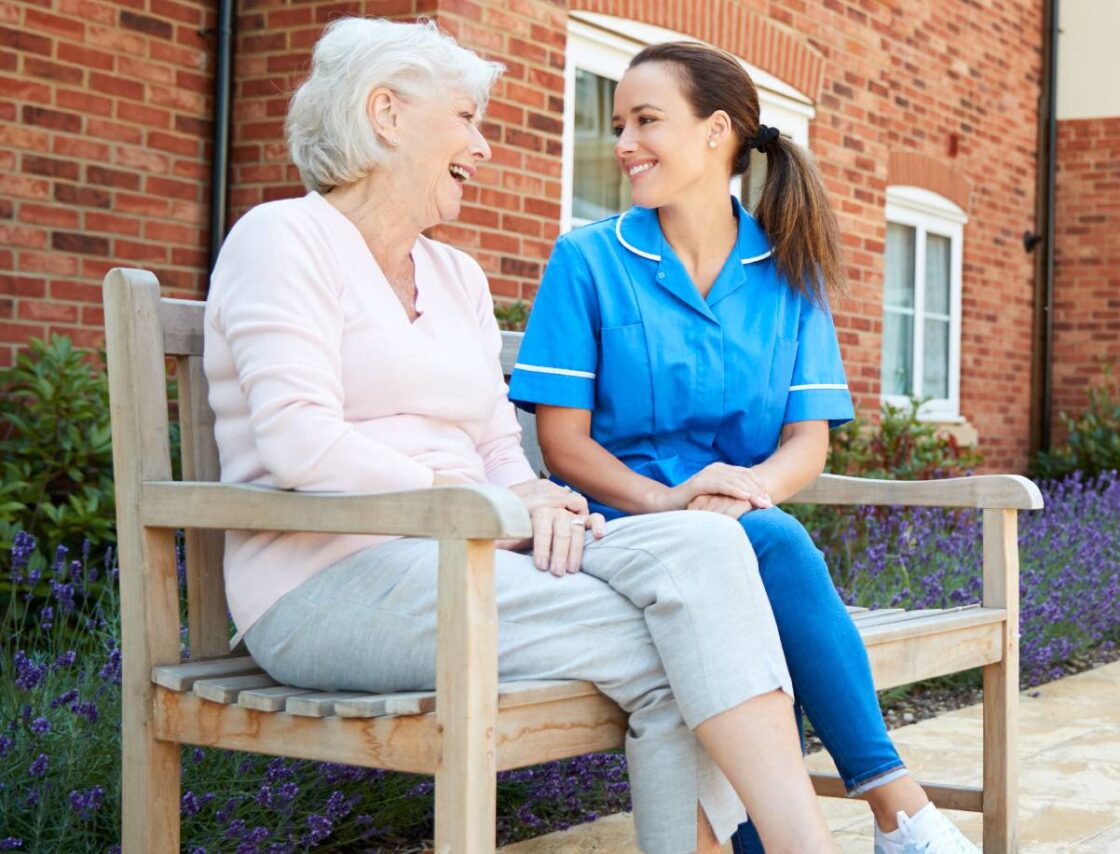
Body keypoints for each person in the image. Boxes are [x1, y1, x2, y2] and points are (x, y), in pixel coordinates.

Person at [203, 18, 833, 853]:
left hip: (474, 552)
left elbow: (499, 444)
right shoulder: (284, 238)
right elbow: (299, 443)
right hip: (327, 579)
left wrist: (536, 494)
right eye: (466, 118)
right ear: (386, 115)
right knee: (680, 639)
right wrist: (490, 505)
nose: (485, 144)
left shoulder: (455, 273)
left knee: (710, 551)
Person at [510, 42, 979, 854]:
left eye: (646, 120)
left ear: (718, 131)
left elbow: (807, 440)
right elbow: (563, 445)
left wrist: (743, 491)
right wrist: (677, 502)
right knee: (769, 543)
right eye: (619, 124)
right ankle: (902, 814)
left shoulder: (787, 272)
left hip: (739, 533)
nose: (624, 143)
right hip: (620, 531)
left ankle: (796, 836)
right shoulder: (586, 260)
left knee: (755, 556)